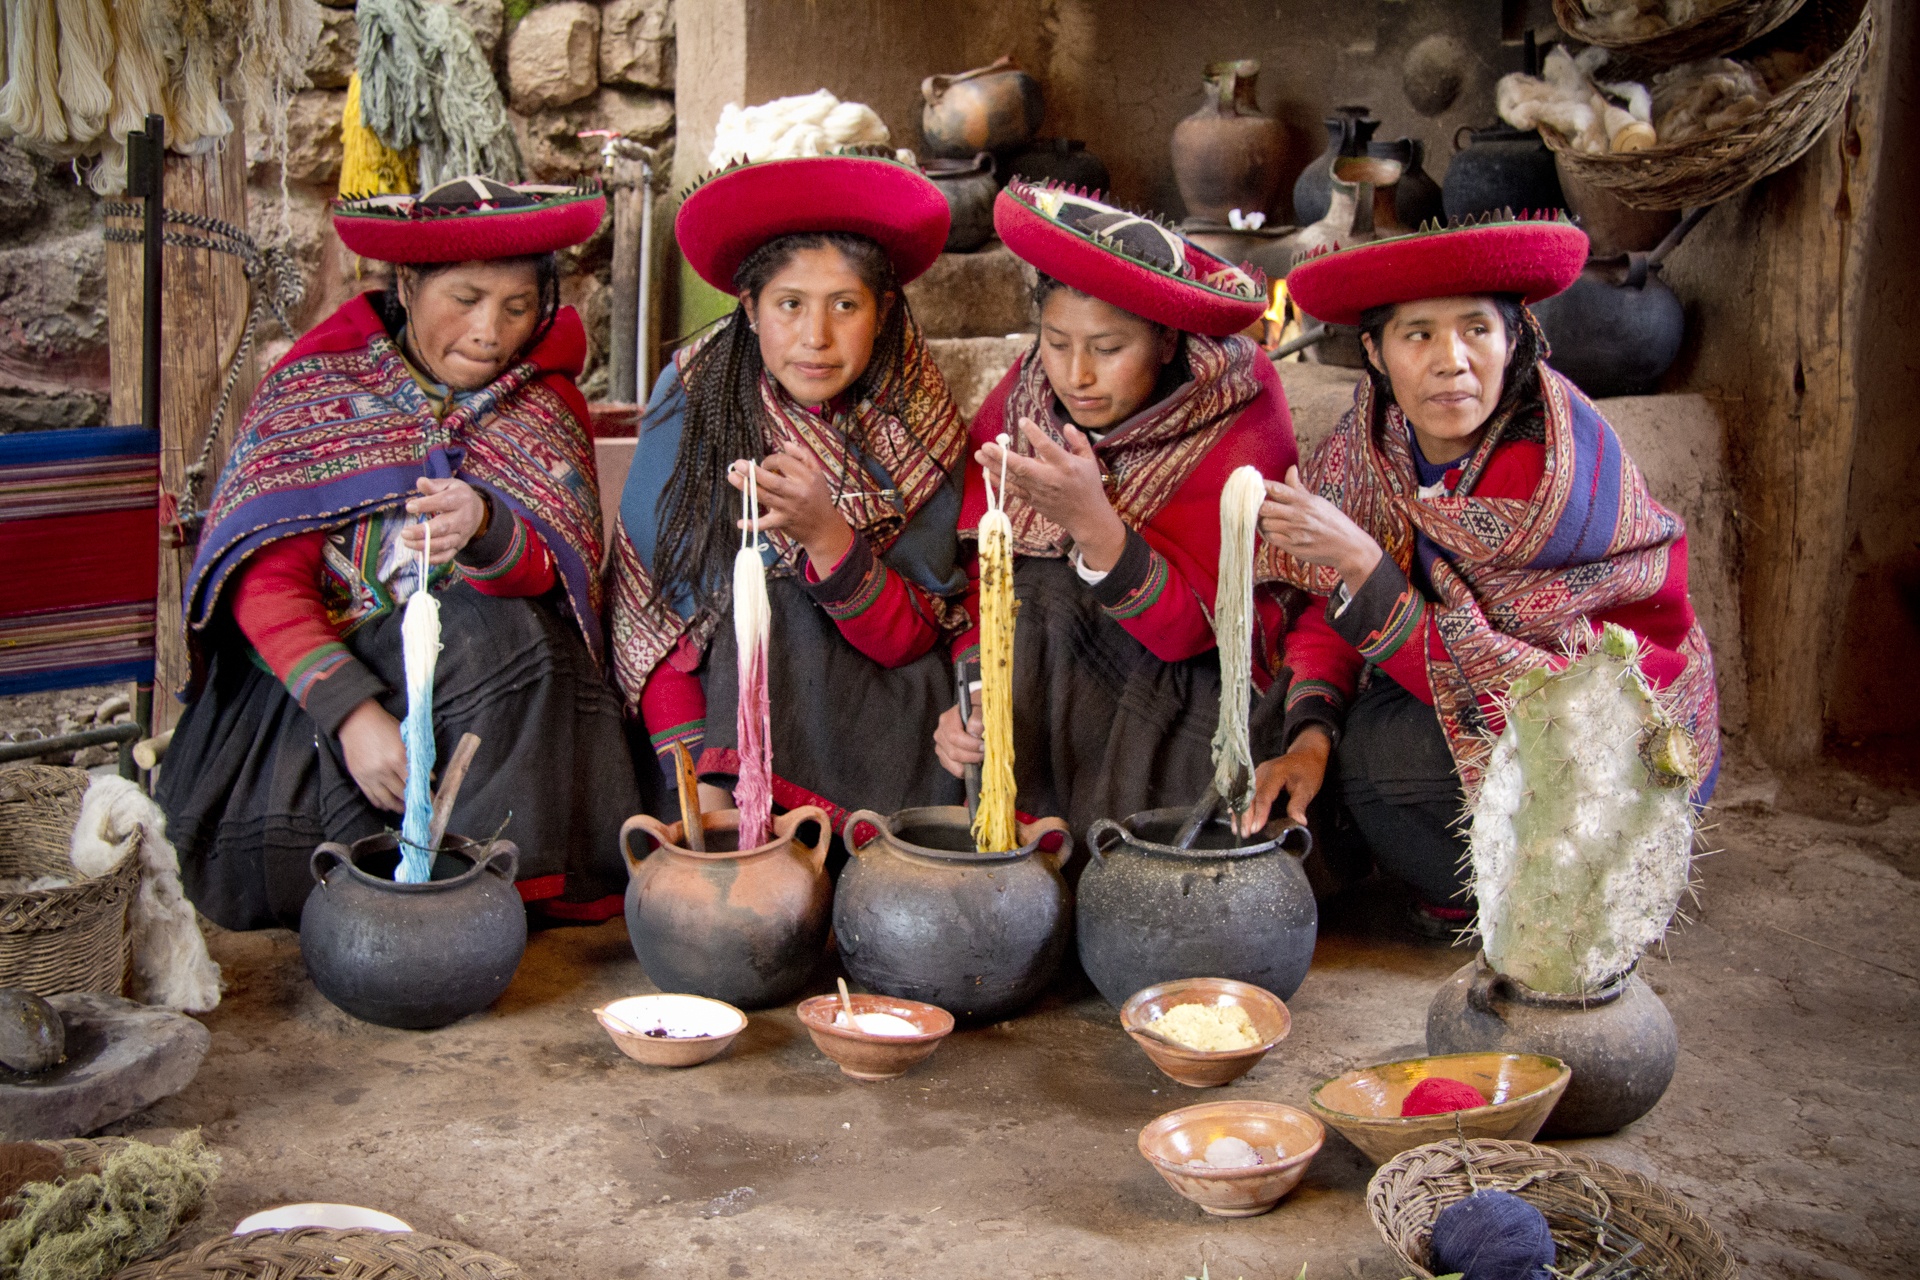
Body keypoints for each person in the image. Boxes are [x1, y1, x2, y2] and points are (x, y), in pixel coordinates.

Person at [160, 176, 636, 930]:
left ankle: (474, 891)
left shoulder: (543, 404)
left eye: (517, 309)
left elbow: (560, 576)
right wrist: (352, 716)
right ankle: (410, 897)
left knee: (513, 633)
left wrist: (487, 525)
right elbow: (266, 585)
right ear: (408, 288)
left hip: (495, 709)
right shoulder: (314, 393)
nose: (490, 333)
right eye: (465, 300)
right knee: (484, 639)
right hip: (317, 711)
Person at [1242, 214, 1720, 929]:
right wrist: (1309, 734)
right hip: (1446, 693)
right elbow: (1325, 604)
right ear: (1374, 352)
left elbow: (1533, 690)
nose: (1451, 360)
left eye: (1476, 330)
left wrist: (1367, 567)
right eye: (1418, 335)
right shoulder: (1373, 443)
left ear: (1514, 340)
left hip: (1606, 748)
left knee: (1376, 757)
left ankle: (1524, 899)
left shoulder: (1543, 466)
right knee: (1281, 720)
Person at [607, 150, 968, 826]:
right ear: (749, 306)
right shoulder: (694, 397)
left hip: (887, 721)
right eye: (790, 304)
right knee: (758, 590)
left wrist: (828, 538)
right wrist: (700, 803)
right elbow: (653, 622)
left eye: (845, 305)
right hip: (721, 749)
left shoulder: (921, 416)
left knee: (785, 593)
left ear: (884, 309)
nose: (816, 338)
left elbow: (916, 636)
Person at [931, 180, 1300, 832]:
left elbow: (1202, 630)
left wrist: (1095, 526)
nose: (1076, 375)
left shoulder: (1236, 408)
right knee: (1039, 594)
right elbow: (978, 581)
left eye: (1107, 349)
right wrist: (975, 693)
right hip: (1051, 674)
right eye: (1056, 341)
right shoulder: (1025, 398)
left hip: (1187, 685)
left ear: (1166, 341)